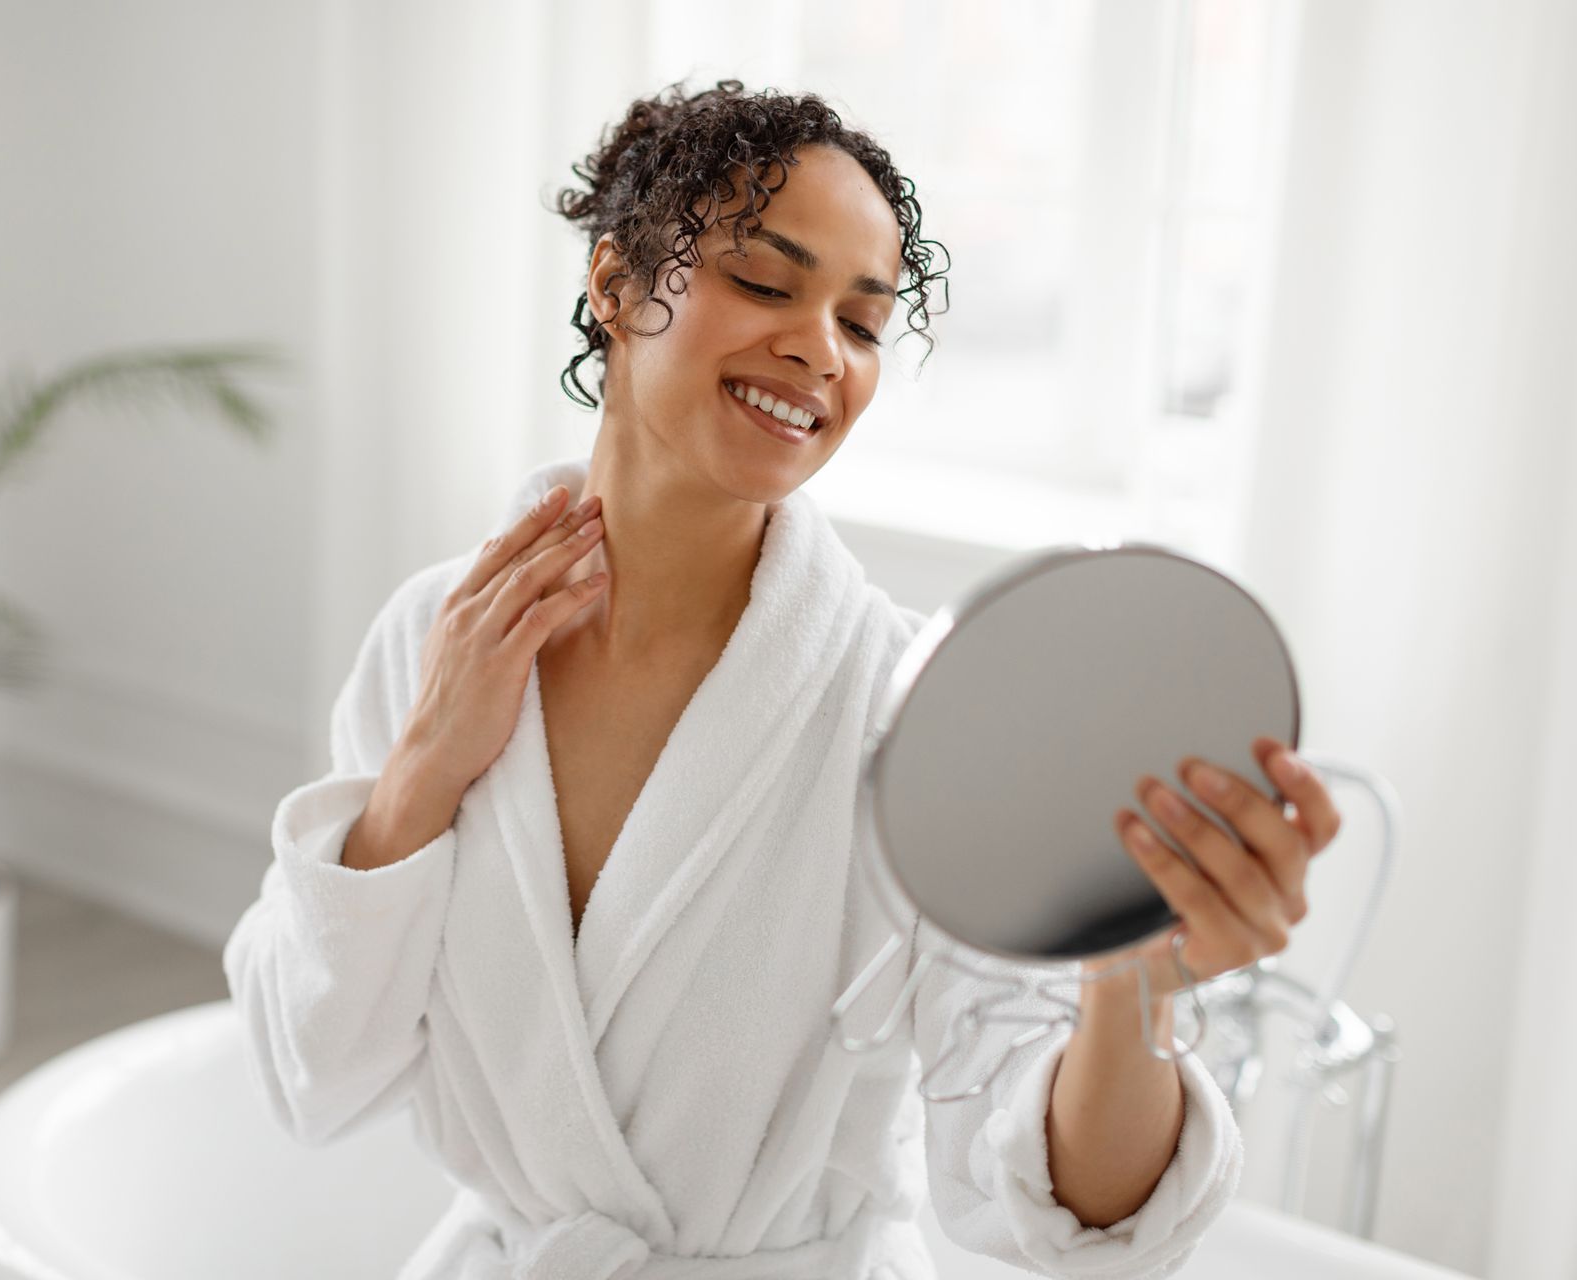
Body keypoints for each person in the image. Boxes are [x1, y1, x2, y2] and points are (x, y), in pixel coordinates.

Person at [224, 79, 1260, 1279]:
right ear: (614, 285)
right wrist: (420, 778)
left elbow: (1056, 1207)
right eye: (766, 283)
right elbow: (309, 1069)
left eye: (864, 325)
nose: (819, 349)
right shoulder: (432, 638)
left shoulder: (904, 710)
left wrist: (1133, 982)